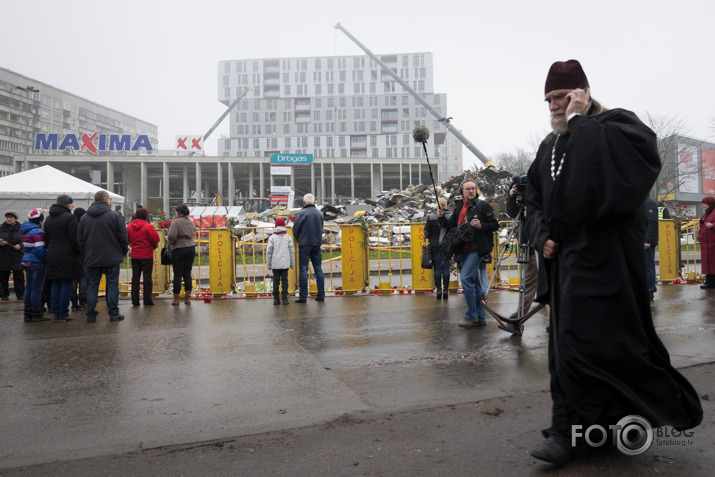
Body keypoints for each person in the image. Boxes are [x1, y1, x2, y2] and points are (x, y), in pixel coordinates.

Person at [525, 59, 702, 465]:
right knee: (565, 348)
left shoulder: (618, 126)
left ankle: (577, 432)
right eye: (549, 99)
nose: (554, 105)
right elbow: (533, 197)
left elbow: (620, 178)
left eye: (561, 97)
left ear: (583, 93)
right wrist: (542, 234)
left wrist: (580, 120)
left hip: (607, 264)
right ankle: (575, 429)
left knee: (601, 347)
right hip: (567, 264)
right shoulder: (549, 145)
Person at [438, 179, 499, 327]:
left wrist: (481, 225)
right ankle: (480, 317)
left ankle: (471, 315)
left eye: (473, 188)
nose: (471, 191)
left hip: (477, 249)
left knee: (465, 278)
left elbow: (495, 225)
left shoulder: (483, 206)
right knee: (475, 284)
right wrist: (441, 218)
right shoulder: (459, 206)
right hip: (462, 249)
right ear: (462, 192)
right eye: (467, 189)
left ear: (476, 190)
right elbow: (451, 226)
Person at [77, 190, 129, 323]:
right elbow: (123, 237)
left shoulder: (84, 217)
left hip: (92, 256)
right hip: (112, 256)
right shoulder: (114, 216)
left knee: (92, 285)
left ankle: (90, 314)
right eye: (109, 199)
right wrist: (123, 251)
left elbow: (80, 240)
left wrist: (86, 253)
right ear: (106, 200)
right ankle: (113, 313)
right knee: (112, 285)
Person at [44, 194, 84, 321]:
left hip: (52, 253)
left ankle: (56, 312)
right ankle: (63, 312)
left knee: (55, 283)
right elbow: (74, 238)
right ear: (67, 204)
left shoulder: (49, 218)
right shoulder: (70, 217)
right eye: (71, 203)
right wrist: (80, 251)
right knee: (66, 283)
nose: (72, 205)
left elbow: (47, 238)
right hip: (67, 255)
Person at [506, 180, 538, 322]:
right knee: (528, 285)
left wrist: (532, 211)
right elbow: (512, 212)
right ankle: (519, 317)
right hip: (530, 248)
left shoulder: (543, 198)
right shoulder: (522, 203)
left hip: (543, 246)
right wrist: (512, 197)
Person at [292, 193, 325, 302]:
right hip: (317, 244)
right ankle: (321, 295)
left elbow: (295, 229)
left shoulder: (301, 213)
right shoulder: (320, 213)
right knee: (318, 269)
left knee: (303, 270)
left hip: (304, 244)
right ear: (314, 202)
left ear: (304, 202)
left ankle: (303, 297)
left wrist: (298, 239)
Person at [127, 207, 160, 306]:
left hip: (135, 254)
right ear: (146, 216)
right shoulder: (148, 226)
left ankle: (135, 300)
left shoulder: (129, 227)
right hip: (146, 255)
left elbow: (128, 238)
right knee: (147, 277)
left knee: (135, 277)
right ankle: (147, 300)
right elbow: (156, 239)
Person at [21, 209, 49, 322]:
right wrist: (47, 259)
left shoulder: (25, 230)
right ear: (40, 221)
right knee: (37, 289)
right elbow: (40, 249)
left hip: (26, 260)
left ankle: (27, 312)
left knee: (28, 287)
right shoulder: (38, 232)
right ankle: (37, 312)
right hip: (37, 262)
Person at [166, 203, 196, 305]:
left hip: (179, 248)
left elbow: (172, 236)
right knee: (187, 273)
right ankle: (188, 298)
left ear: (178, 212)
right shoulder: (190, 222)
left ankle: (176, 299)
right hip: (191, 247)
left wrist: (168, 241)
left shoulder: (176, 222)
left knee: (177, 273)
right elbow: (193, 232)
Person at [424, 197, 451, 299]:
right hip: (447, 245)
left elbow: (426, 233)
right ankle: (446, 291)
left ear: (437, 205)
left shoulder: (431, 217)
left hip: (435, 245)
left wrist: (430, 236)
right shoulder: (451, 216)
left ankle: (439, 290)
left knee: (437, 268)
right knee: (446, 267)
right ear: (445, 205)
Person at [266, 218, 294, 305]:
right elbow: (291, 251)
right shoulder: (288, 237)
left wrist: (269, 264)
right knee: (285, 280)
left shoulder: (272, 238)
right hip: (285, 263)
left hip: (275, 263)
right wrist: (292, 264)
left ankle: (276, 299)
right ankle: (285, 299)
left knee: (276, 280)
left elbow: (269, 252)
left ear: (275, 226)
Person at [0, 210, 25, 301]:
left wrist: (20, 245)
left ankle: (20, 294)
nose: (9, 219)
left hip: (17, 256)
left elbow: (25, 240)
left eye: (11, 217)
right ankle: (4, 294)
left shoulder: (21, 228)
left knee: (19, 275)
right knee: (3, 276)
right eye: (7, 217)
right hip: (4, 256)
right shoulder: (1, 228)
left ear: (15, 219)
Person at [70, 207, 88, 311]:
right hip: (83, 256)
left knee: (73, 280)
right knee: (83, 279)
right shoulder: (84, 226)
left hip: (72, 257)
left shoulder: (71, 226)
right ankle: (82, 302)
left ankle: (73, 303)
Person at [644, 196, 660, 300]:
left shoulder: (649, 203)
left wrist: (647, 240)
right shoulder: (642, 201)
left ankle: (650, 291)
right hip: (640, 239)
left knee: (648, 266)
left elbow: (652, 223)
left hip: (646, 242)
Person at [698, 196, 715, 289]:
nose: (703, 206)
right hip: (706, 243)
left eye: (704, 204)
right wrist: (700, 237)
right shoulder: (705, 214)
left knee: (712, 264)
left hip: (712, 243)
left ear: (710, 204)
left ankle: (711, 282)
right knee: (707, 264)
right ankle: (708, 282)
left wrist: (712, 225)